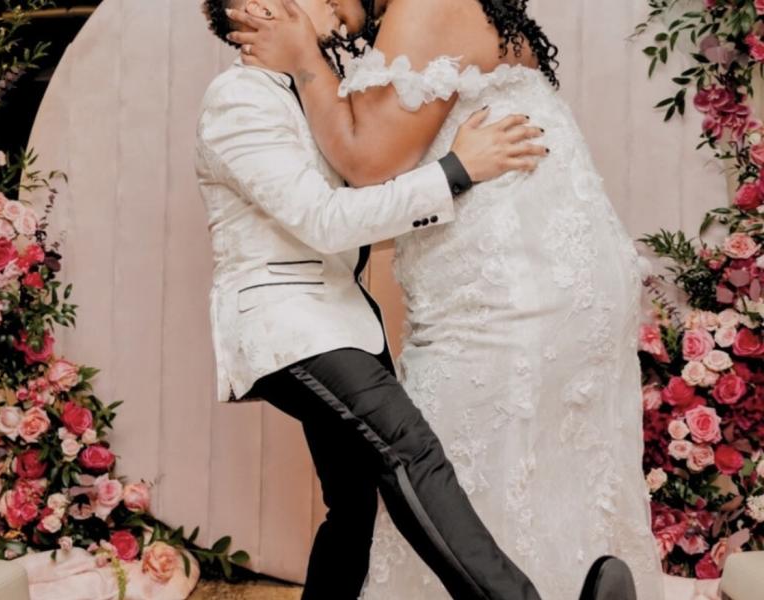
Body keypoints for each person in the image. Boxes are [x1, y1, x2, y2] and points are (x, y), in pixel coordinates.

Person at [226, 0, 665, 599]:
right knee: (493, 477)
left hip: (510, 291)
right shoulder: (245, 95)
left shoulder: (425, 5)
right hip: (542, 278)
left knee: (446, 473)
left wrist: (305, 58)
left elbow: (369, 164)